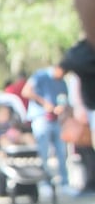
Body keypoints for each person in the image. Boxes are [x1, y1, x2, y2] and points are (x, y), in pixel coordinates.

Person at [21, 64, 72, 192]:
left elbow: (64, 99)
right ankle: (43, 183)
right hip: (41, 118)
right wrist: (44, 103)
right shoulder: (40, 76)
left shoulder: (62, 82)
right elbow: (26, 91)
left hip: (56, 120)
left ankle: (64, 183)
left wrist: (62, 108)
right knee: (42, 152)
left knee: (61, 152)